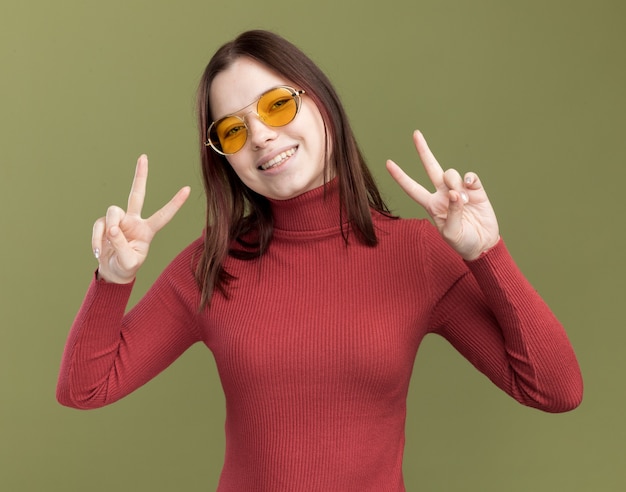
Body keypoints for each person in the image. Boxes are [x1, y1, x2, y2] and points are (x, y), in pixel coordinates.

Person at [57, 29, 583, 491]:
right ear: (226, 159)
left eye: (276, 105)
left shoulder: (416, 254)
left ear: (323, 105)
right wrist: (113, 278)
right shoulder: (211, 267)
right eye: (233, 131)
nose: (260, 134)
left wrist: (486, 254)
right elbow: (85, 389)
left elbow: (556, 390)